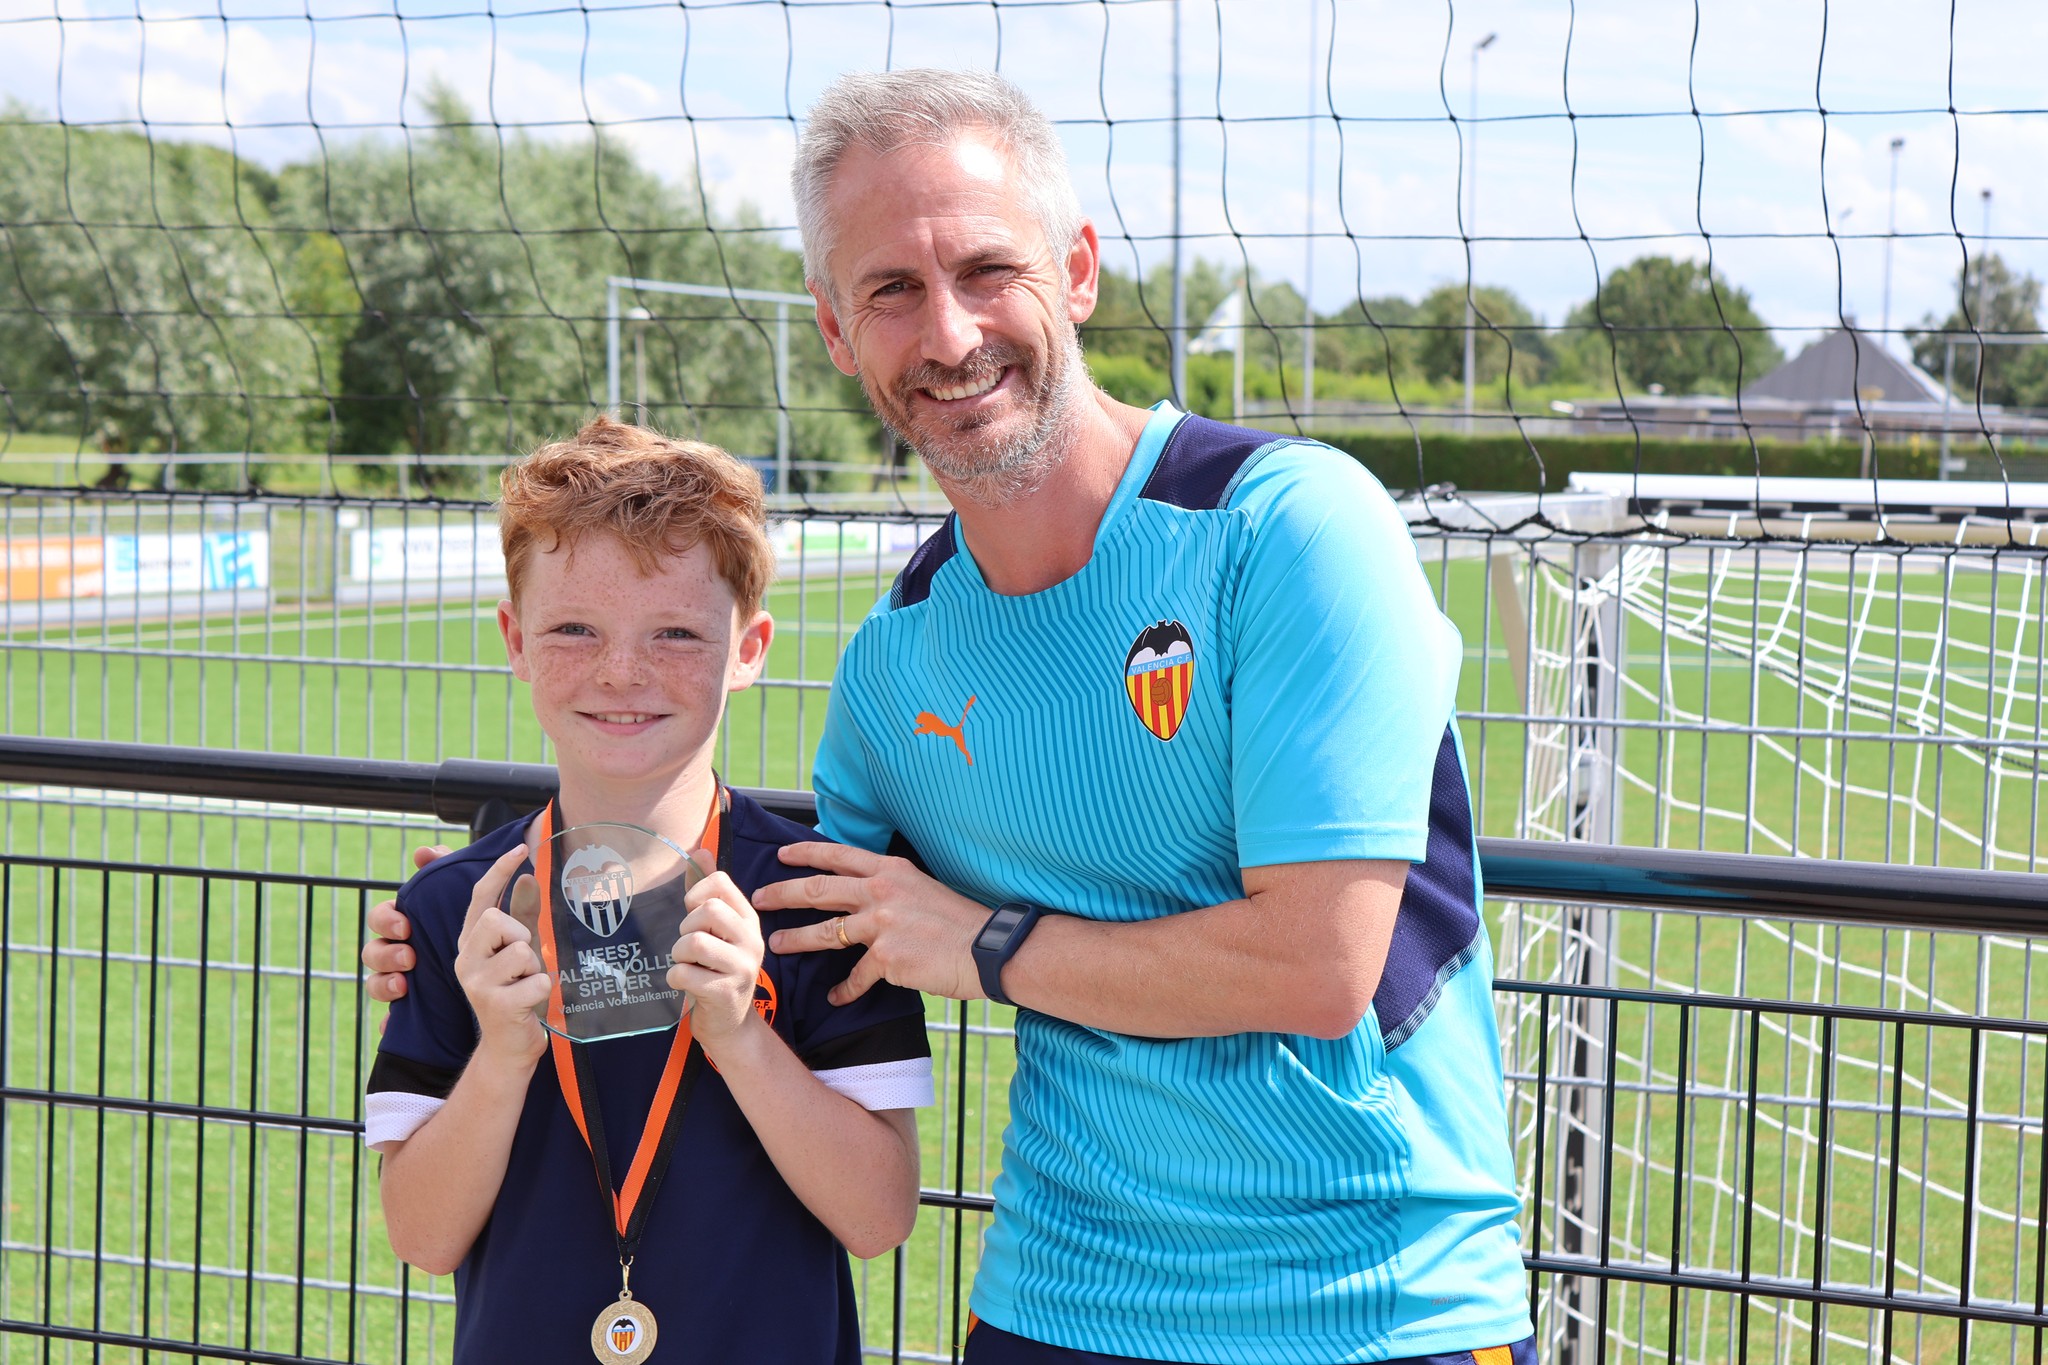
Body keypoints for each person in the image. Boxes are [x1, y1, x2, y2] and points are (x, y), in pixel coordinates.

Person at [370, 70, 1534, 1365]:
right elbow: (794, 910)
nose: (949, 333)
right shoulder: (893, 673)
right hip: (1053, 1306)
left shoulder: (1290, 528)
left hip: (1376, 1307)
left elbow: (1320, 969)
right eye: (891, 291)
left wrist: (985, 942)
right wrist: (486, 896)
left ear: (1079, 271)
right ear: (833, 329)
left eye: (987, 269)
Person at [364, 417, 933, 1365]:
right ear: (514, 639)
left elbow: (878, 1216)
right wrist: (503, 1054)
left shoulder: (817, 900)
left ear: (748, 648)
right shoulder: (456, 916)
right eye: (573, 629)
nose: (621, 671)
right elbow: (422, 1237)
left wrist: (744, 1040)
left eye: (674, 633)